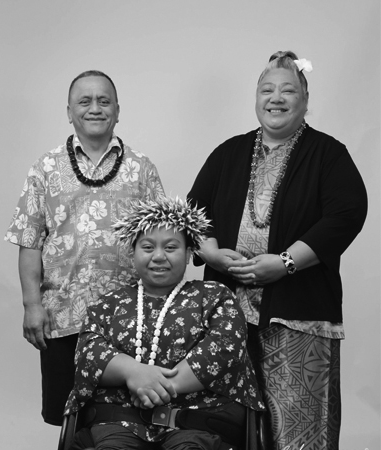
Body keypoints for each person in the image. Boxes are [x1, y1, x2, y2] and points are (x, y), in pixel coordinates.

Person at [187, 51, 367, 450]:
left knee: (302, 434)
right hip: (227, 317)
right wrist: (212, 254)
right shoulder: (228, 153)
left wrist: (285, 263)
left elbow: (347, 214)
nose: (276, 97)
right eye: (267, 89)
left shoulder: (328, 154)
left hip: (299, 316)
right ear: (256, 98)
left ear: (305, 100)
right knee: (224, 428)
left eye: (288, 90)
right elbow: (192, 215)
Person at [4, 70, 165, 426]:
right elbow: (29, 241)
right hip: (62, 316)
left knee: (128, 420)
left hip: (129, 317)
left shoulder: (142, 168)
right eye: (85, 101)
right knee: (70, 420)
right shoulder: (45, 169)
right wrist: (32, 306)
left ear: (118, 110)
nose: (95, 108)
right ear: (69, 111)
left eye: (104, 101)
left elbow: (159, 242)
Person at [63, 196, 265, 450]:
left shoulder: (215, 296)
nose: (158, 256)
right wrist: (132, 372)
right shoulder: (109, 303)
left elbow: (224, 350)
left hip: (197, 422)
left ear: (190, 252)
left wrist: (154, 387)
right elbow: (87, 353)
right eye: (148, 248)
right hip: (118, 423)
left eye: (170, 248)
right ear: (133, 252)